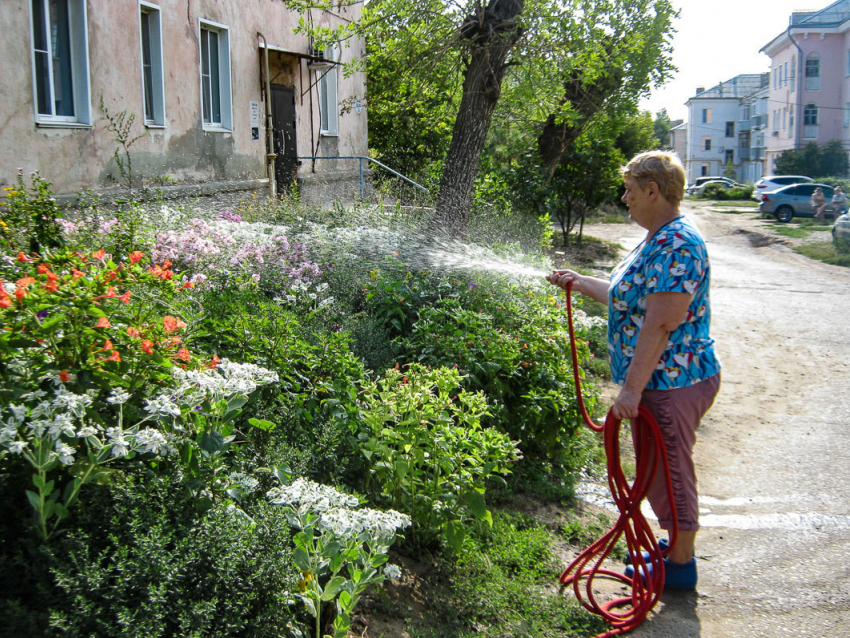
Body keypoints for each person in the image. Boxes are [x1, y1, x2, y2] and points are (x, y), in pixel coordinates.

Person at [546, 151, 721, 590]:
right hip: (659, 384)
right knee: (657, 470)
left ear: (652, 190)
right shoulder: (658, 238)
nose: (624, 198)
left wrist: (630, 391)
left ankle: (681, 567)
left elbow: (661, 321)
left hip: (671, 383)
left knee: (670, 472)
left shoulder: (678, 243)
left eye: (629, 189)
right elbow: (632, 298)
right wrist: (581, 282)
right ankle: (674, 548)